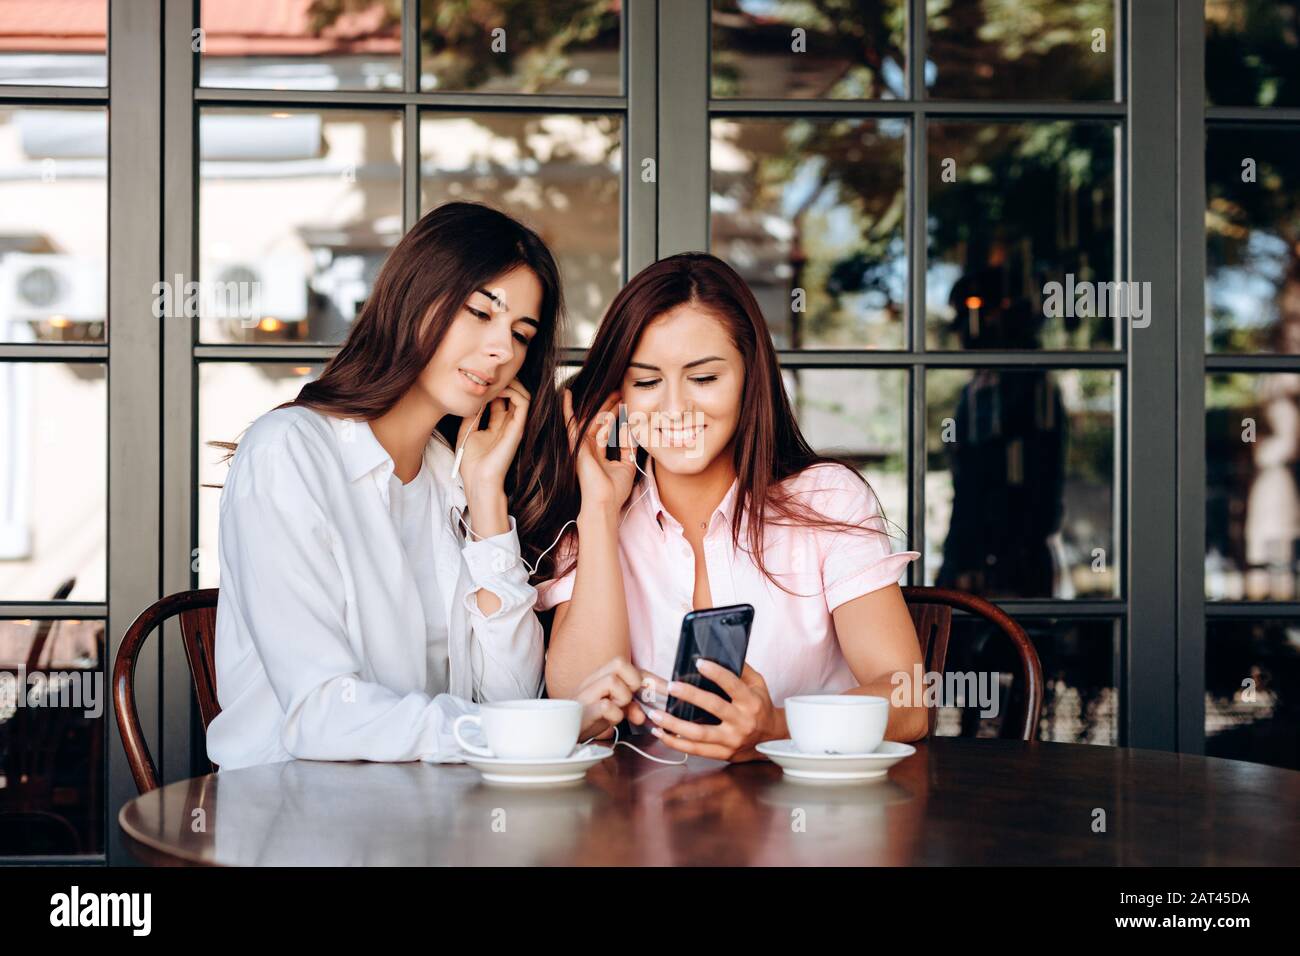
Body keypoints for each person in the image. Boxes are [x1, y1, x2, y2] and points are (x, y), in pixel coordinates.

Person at [206, 202, 637, 771]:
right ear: (415, 298)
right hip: (295, 819)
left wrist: (487, 499)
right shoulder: (289, 452)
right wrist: (540, 729)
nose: (503, 350)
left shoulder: (451, 475)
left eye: (521, 334)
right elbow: (320, 715)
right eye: (480, 313)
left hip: (429, 816)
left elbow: (506, 697)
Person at [538, 253, 928, 762]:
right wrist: (598, 509)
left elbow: (909, 699)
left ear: (750, 378)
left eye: (703, 379)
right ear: (618, 397)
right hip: (643, 824)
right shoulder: (595, 516)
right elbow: (579, 709)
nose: (675, 408)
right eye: (647, 382)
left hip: (810, 823)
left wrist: (773, 727)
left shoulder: (826, 499)